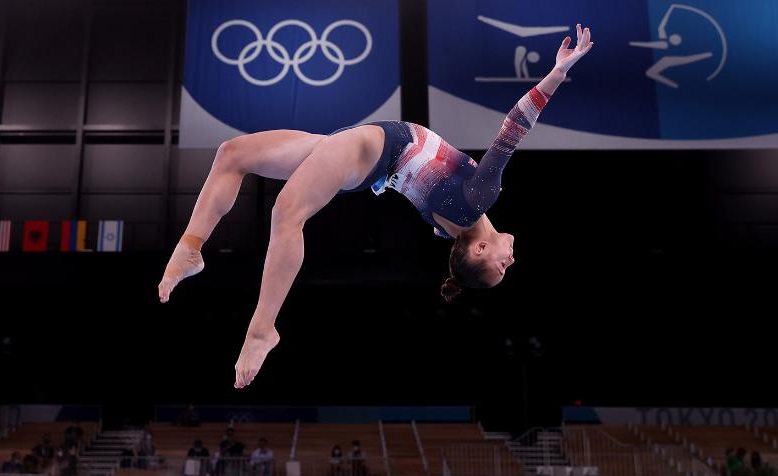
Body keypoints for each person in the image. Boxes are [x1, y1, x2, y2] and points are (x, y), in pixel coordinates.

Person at [157, 26, 595, 389]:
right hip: (359, 149)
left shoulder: (476, 204)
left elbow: (514, 127)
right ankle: (192, 248)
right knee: (233, 153)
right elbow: (492, 144)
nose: (511, 260)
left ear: (479, 251)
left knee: (286, 214)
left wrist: (557, 73)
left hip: (366, 150)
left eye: (503, 268)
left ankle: (261, 329)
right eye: (507, 268)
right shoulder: (454, 224)